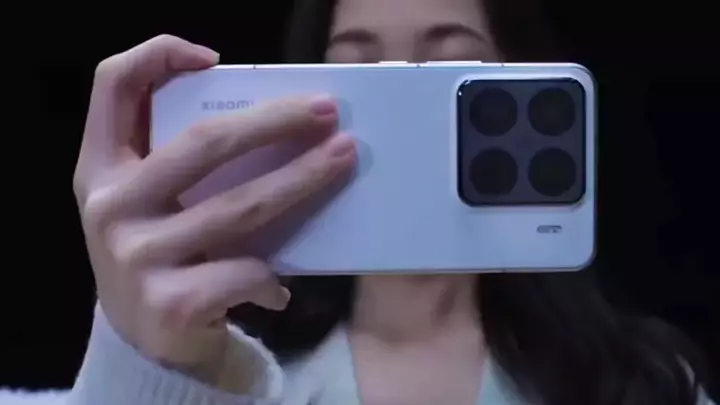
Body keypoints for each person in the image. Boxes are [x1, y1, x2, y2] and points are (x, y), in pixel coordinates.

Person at [2, 0, 714, 404]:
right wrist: (147, 366)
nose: (402, 107)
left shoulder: (642, 380)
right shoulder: (224, 371)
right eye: (359, 71)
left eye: (448, 65)